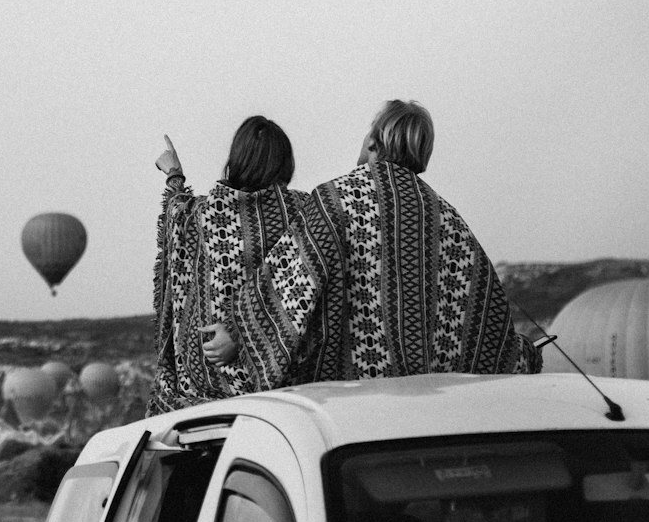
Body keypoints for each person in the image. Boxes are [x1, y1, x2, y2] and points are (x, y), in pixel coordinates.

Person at [207, 99, 541, 385]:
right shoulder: (447, 218)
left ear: (373, 141)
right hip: (426, 407)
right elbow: (484, 318)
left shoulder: (335, 202)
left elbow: (290, 284)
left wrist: (236, 335)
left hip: (350, 404)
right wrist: (526, 355)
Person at [147, 116, 314, 416]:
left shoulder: (202, 214)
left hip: (206, 395)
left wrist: (174, 172)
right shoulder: (304, 213)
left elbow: (176, 207)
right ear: (285, 162)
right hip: (286, 388)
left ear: (237, 159)